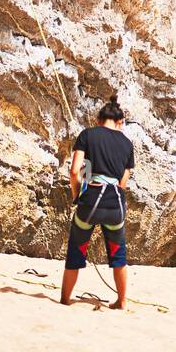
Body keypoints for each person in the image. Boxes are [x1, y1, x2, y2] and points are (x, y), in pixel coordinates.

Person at [60, 96, 135, 309]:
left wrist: (77, 195)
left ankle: (66, 299)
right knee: (118, 255)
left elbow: (75, 171)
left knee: (76, 250)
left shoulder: (87, 135)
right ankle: (121, 301)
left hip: (90, 203)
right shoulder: (127, 144)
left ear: (98, 119)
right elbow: (122, 183)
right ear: (119, 122)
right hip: (115, 206)